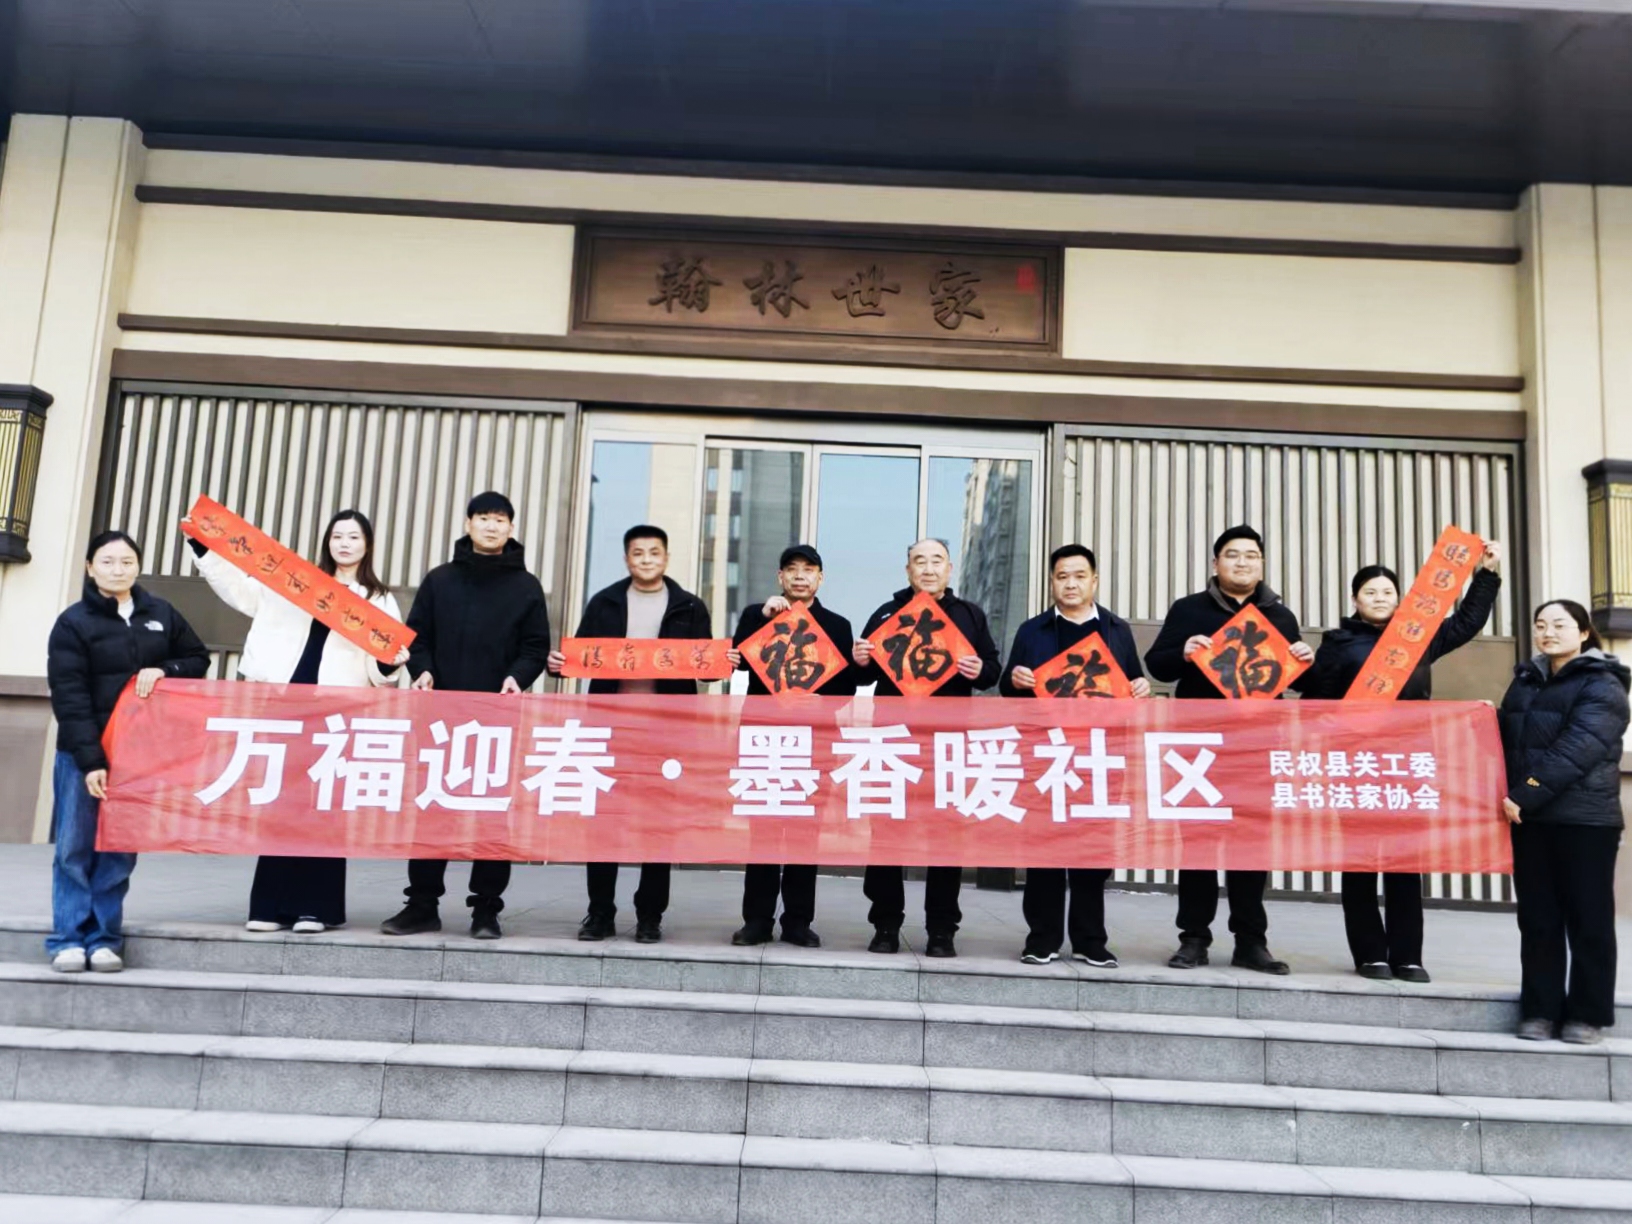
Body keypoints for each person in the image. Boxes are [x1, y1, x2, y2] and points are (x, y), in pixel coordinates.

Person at [188, 509, 409, 935]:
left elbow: (382, 667)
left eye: (354, 537)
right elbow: (243, 592)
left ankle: (316, 908)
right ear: (327, 541)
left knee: (325, 804)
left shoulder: (378, 599)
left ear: (367, 545)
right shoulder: (298, 580)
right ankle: (269, 906)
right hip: (285, 706)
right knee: (280, 802)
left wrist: (390, 663)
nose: (344, 544)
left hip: (337, 711)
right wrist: (206, 550)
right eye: (337, 536)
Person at [1303, 545, 1503, 983]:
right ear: (1355, 599)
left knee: (1405, 863)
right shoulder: (1337, 644)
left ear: (1399, 598)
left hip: (1406, 765)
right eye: (1370, 592)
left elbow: (1466, 623)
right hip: (1356, 767)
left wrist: (1486, 575)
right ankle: (1369, 954)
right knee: (1360, 863)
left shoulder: (1418, 635)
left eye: (1387, 591)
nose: (1379, 598)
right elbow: (1315, 698)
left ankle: (1408, 955)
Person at [1145, 525, 1314, 975]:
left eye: (1251, 556)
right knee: (1197, 843)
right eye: (1233, 555)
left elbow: (1302, 684)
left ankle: (1251, 941)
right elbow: (1157, 665)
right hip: (1199, 749)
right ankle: (1193, 938)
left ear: (1262, 564)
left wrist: (1305, 660)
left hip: (1256, 748)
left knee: (1252, 845)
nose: (1242, 563)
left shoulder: (1280, 617)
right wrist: (1183, 651)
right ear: (1215, 563)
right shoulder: (1188, 609)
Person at [381, 492, 551, 941]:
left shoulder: (526, 586)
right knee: (432, 808)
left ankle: (486, 910)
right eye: (484, 518)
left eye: (500, 520)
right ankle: (422, 905)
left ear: (511, 528)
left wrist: (517, 677)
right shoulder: (440, 580)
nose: (492, 526)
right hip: (440, 717)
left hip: (497, 717)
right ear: (468, 523)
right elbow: (416, 638)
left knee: (493, 814)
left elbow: (535, 646)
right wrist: (422, 670)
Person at [45, 530, 211, 972]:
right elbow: (70, 696)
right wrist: (91, 762)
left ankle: (103, 939)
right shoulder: (73, 623)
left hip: (138, 755)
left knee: (119, 849)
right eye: (107, 561)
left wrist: (165, 669)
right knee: (74, 849)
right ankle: (67, 939)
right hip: (83, 757)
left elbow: (198, 658)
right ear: (90, 567)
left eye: (126, 562)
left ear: (137, 566)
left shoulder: (161, 613)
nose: (117, 570)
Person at [548, 524, 713, 944]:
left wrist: (721, 662)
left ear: (666, 558)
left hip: (666, 733)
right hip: (610, 730)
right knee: (604, 824)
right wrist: (559, 664)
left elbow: (707, 668)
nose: (646, 560)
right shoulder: (604, 602)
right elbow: (580, 656)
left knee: (658, 826)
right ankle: (599, 913)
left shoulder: (689, 607)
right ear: (627, 559)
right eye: (638, 553)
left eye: (654, 553)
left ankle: (650, 915)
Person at [1001, 544, 1151, 967]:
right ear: (1052, 582)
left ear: (1094, 581)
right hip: (1047, 752)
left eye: (1079, 576)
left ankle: (1090, 939)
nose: (1070, 584)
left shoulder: (1116, 630)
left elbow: (1134, 683)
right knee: (1044, 847)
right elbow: (1008, 687)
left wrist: (1141, 687)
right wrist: (1015, 679)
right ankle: (1042, 938)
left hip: (1101, 755)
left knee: (1093, 850)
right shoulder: (1032, 630)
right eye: (1062, 576)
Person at [852, 538, 1001, 959]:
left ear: (950, 569)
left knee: (946, 837)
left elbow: (992, 670)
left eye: (937, 561)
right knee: (886, 834)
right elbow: (859, 678)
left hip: (946, 743)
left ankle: (941, 929)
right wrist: (859, 660)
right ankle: (885, 924)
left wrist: (980, 669)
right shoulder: (886, 614)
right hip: (891, 741)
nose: (929, 568)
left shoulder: (969, 615)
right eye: (920, 561)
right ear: (908, 570)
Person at [1499, 599, 1628, 1045]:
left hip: (1585, 820)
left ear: (1584, 632)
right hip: (1531, 819)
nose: (1548, 632)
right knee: (1538, 919)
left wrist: (1526, 793)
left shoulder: (1603, 684)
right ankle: (1539, 1010)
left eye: (1559, 624)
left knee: (1589, 919)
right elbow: (1508, 738)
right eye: (1540, 625)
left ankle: (1588, 1015)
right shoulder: (1526, 681)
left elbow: (1579, 747)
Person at [725, 544, 857, 948]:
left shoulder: (837, 625)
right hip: (763, 737)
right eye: (792, 569)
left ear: (820, 578)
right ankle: (757, 920)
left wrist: (820, 701)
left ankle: (798, 921)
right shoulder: (757, 615)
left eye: (809, 569)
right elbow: (736, 660)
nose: (800, 576)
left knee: (805, 833)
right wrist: (764, 618)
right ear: (780, 577)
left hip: (814, 741)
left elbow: (848, 688)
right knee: (762, 831)